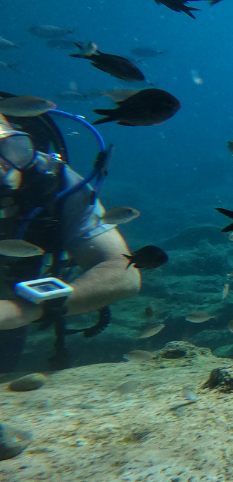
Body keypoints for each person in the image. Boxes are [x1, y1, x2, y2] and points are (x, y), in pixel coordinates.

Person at [0, 112, 141, 371]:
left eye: (10, 148)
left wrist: (28, 309)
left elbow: (123, 271)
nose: (2, 166)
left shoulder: (54, 182)